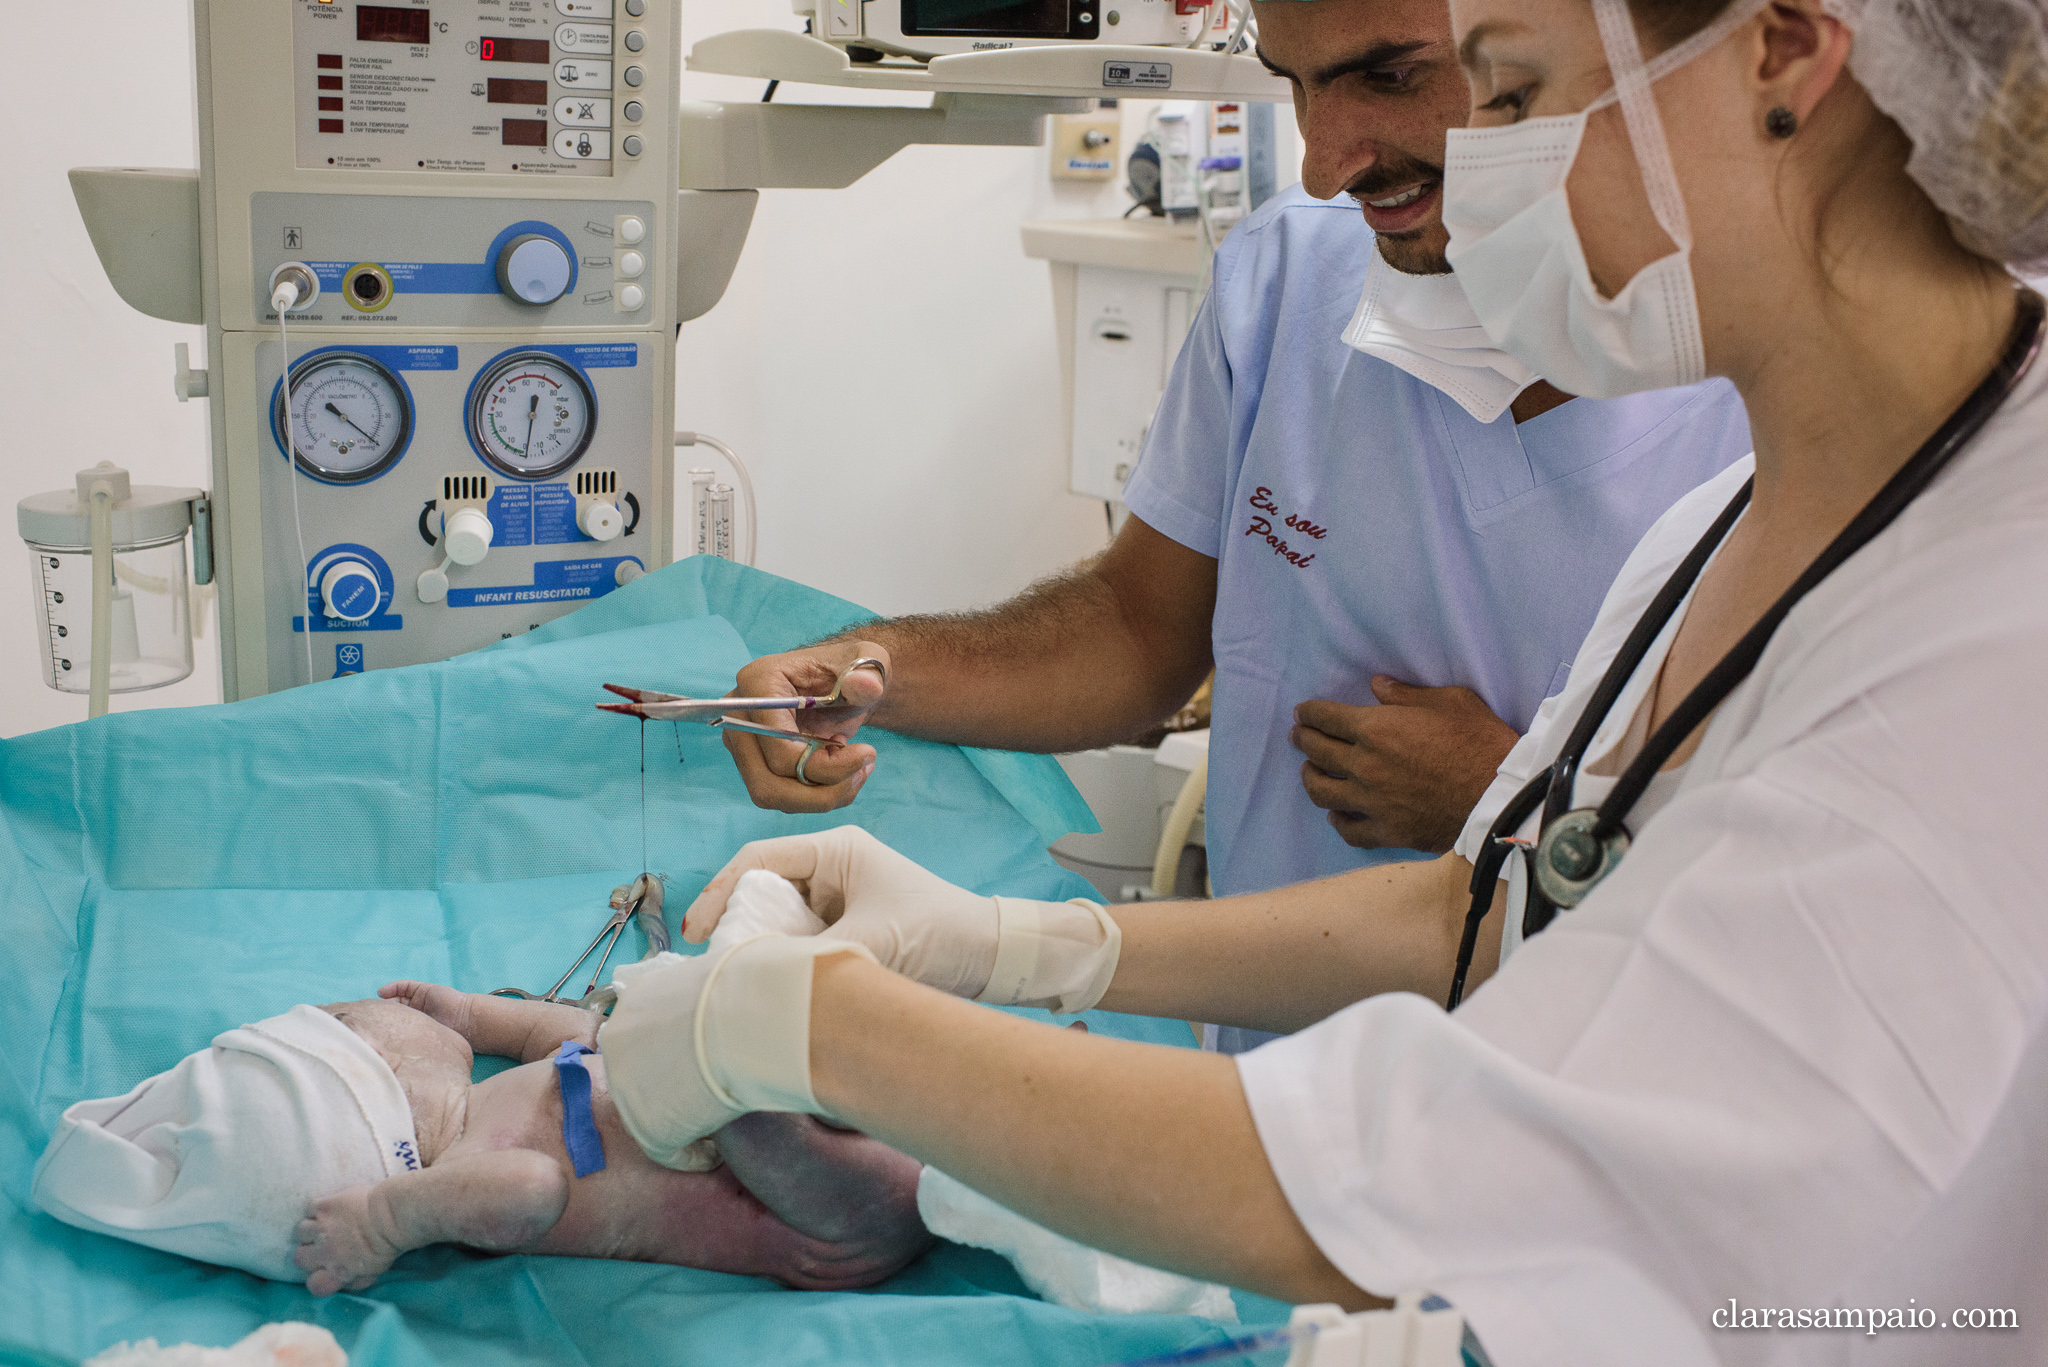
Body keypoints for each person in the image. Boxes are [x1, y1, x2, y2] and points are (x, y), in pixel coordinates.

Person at [580, 0, 2048, 1360]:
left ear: (1783, 53)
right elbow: (1491, 900)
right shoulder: (1748, 518)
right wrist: (1024, 943)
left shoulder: (1995, 630)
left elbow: (1434, 1184)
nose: (1348, 165)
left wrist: (814, 1024)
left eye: (1513, 89)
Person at [714, 0, 1751, 954]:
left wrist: (1523, 799)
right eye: (1293, 83)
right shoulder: (1289, 282)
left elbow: (1820, 863)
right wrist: (864, 671)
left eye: (1389, 76)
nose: (1322, 165)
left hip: (1561, 1069)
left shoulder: (1754, 396)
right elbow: (1136, 628)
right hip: (1267, 1052)